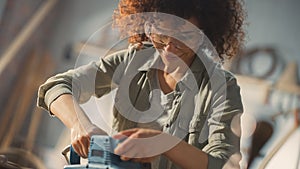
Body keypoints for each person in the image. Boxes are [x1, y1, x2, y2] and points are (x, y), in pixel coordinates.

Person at [37, 0, 246, 169]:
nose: (169, 48)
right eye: (161, 34)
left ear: (205, 33)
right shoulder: (132, 61)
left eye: (184, 36)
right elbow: (58, 85)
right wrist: (80, 125)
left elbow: (224, 163)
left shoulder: (222, 87)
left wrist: (163, 143)